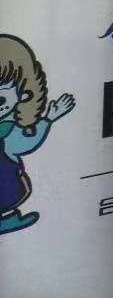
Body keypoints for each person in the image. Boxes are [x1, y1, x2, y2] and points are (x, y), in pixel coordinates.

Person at [0, 35, 75, 236]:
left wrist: (48, 119)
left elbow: (27, 141)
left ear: (23, 93)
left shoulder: (9, 131)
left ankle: (6, 220)